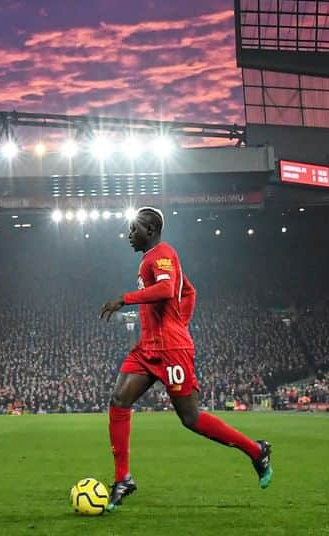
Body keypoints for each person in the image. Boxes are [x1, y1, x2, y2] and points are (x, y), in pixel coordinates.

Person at [99, 208, 273, 510]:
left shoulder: (162, 255)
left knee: (190, 418)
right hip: (147, 348)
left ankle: (256, 451)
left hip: (170, 351)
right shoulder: (150, 259)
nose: (128, 236)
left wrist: (125, 299)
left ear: (150, 229)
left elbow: (168, 289)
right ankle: (123, 477)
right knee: (119, 399)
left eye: (133, 230)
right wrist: (181, 322)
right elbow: (189, 291)